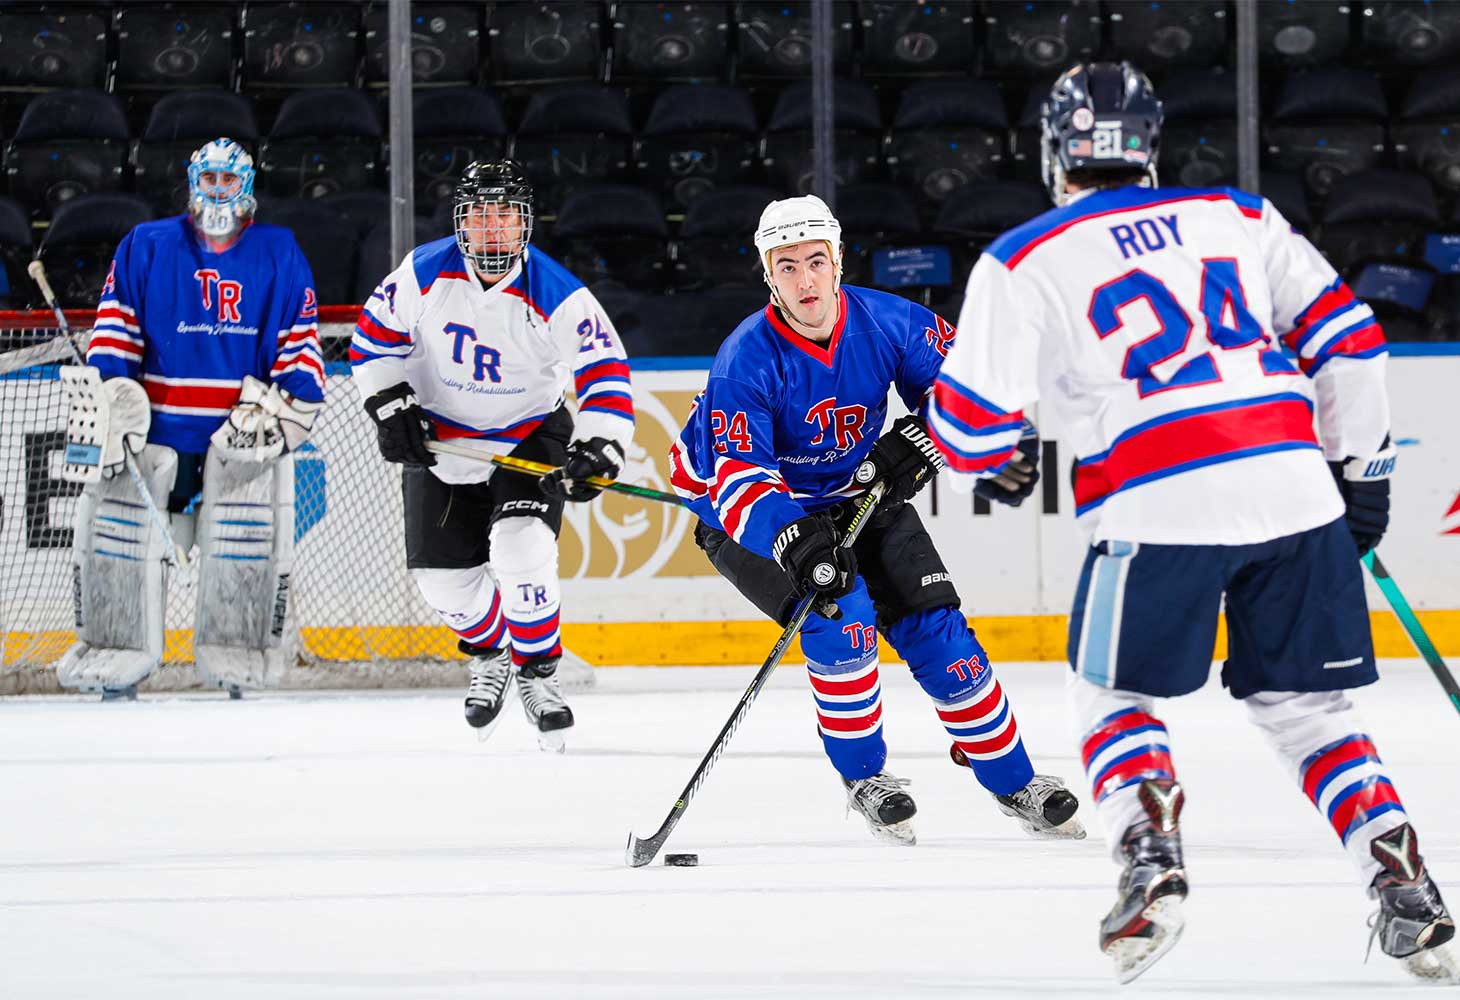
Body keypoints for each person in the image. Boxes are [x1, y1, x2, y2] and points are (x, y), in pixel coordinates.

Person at [931, 61, 1456, 984]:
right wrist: (1362, 476)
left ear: (1056, 150)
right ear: (1150, 146)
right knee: (1305, 710)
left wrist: (992, 460)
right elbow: (1354, 345)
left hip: (1155, 493)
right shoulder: (1240, 217)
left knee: (1109, 694)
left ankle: (1148, 851)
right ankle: (1399, 873)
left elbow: (972, 425)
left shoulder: (1021, 257)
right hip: (1294, 482)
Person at [667, 193, 1085, 847]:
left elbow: (960, 393)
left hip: (856, 494)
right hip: (743, 516)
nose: (804, 281)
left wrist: (979, 444)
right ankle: (866, 779)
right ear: (767, 274)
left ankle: (1014, 782)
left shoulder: (890, 321)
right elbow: (737, 477)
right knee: (843, 620)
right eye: (786, 267)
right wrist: (792, 536)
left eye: (814, 261)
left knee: (939, 634)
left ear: (837, 260)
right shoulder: (745, 358)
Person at [350, 160, 634, 750]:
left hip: (527, 433)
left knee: (521, 545)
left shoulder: (555, 292)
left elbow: (605, 372)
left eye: (505, 213)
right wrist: (390, 402)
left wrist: (601, 445)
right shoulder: (423, 273)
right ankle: (492, 653)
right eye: (480, 214)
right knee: (443, 585)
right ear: (462, 222)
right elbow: (373, 340)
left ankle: (539, 674)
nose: (492, 227)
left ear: (524, 222)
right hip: (441, 436)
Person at [61, 137, 324, 699]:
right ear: (192, 181)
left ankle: (238, 659)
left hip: (237, 441)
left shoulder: (278, 251)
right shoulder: (147, 244)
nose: (219, 191)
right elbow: (117, 330)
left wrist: (292, 402)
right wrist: (111, 397)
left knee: (244, 552)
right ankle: (117, 655)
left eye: (229, 181)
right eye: (209, 179)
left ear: (247, 185)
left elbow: (297, 342)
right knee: (120, 546)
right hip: (158, 439)